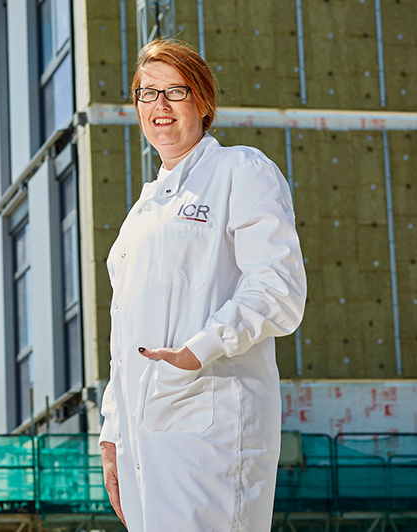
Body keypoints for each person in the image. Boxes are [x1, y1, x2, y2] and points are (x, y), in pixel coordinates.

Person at [98, 39, 307, 531]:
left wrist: (199, 348)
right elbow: (125, 335)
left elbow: (279, 290)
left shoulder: (240, 171)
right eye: (146, 94)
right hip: (141, 442)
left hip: (210, 426)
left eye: (175, 90)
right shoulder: (141, 215)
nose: (159, 106)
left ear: (204, 101)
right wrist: (112, 433)